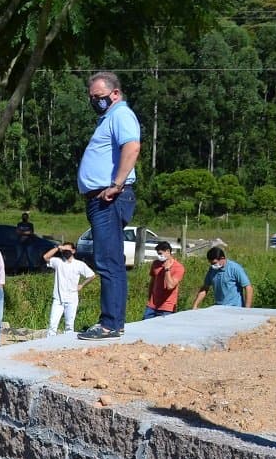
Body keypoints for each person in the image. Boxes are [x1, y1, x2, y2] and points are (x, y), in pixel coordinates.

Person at [76, 71, 140, 340]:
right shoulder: (108, 118)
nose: (95, 101)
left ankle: (110, 323)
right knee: (108, 258)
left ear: (115, 93)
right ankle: (114, 321)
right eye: (92, 97)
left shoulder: (120, 115)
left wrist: (116, 184)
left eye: (99, 96)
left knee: (108, 260)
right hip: (100, 199)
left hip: (110, 198)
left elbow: (132, 147)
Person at [42, 241, 94, 335]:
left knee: (69, 326)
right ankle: (50, 344)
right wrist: (58, 248)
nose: (65, 252)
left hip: (72, 298)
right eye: (64, 250)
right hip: (58, 299)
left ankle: (67, 345)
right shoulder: (58, 262)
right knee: (53, 325)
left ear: (73, 251)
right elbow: (46, 257)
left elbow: (92, 275)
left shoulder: (79, 264)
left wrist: (82, 285)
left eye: (68, 250)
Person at [144, 241, 184, 318]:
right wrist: (149, 299)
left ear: (168, 251)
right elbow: (152, 282)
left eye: (160, 254)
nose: (159, 256)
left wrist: (167, 269)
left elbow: (170, 286)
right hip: (152, 305)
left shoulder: (179, 267)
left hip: (167, 307)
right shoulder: (156, 264)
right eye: (158, 254)